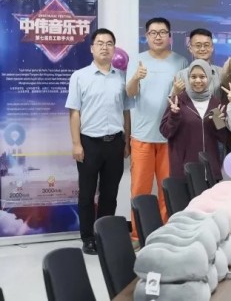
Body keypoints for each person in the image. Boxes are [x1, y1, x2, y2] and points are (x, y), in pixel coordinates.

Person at [66, 28, 130, 255]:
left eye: (109, 43)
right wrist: (76, 144)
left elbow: (126, 112)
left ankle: (104, 235)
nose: (105, 47)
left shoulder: (121, 77)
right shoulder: (79, 76)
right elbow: (74, 112)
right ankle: (87, 238)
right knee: (86, 193)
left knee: (110, 193)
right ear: (92, 48)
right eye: (100, 43)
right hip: (89, 143)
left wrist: (127, 141)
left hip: (115, 143)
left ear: (114, 48)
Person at [126, 17, 188, 239]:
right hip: (142, 136)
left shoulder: (181, 62)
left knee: (167, 189)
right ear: (147, 36)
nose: (158, 36)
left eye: (162, 32)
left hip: (169, 137)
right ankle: (137, 234)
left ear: (169, 36)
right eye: (153, 33)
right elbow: (130, 93)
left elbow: (181, 99)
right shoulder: (137, 60)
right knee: (139, 189)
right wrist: (136, 78)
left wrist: (177, 91)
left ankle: (166, 233)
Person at [159, 60, 229, 182]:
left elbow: (224, 138)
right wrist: (174, 116)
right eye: (193, 77)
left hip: (210, 172)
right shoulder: (178, 101)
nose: (197, 80)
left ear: (209, 78)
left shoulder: (215, 103)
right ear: (188, 78)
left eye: (202, 76)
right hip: (184, 172)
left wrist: (218, 123)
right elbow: (166, 132)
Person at [172, 28, 223, 99]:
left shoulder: (221, 73)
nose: (202, 49)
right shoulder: (181, 75)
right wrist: (175, 93)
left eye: (206, 45)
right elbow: (172, 102)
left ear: (212, 48)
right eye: (198, 45)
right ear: (190, 48)